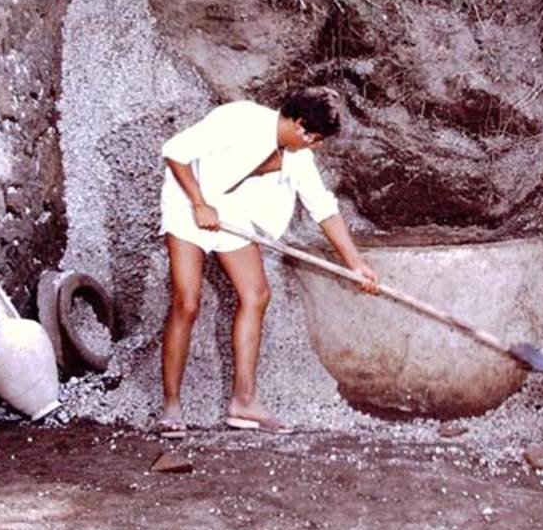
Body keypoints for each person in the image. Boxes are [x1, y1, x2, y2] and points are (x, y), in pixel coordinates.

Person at [156, 87, 378, 437]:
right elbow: (175, 152)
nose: (315, 146)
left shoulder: (298, 156)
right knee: (188, 302)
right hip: (188, 202)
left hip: (229, 209)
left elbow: (322, 207)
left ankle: (243, 403)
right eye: (315, 138)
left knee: (256, 294)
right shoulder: (239, 118)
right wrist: (199, 203)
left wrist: (355, 263)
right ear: (300, 125)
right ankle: (171, 406)